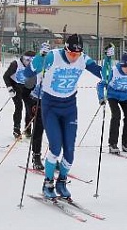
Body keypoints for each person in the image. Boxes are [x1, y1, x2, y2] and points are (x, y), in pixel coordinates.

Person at [23, 33, 105, 199]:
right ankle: (48, 183)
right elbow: (27, 73)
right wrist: (40, 57)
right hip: (50, 106)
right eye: (71, 54)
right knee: (55, 147)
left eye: (77, 54)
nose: (74, 58)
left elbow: (104, 74)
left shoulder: (83, 59)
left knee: (69, 150)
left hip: (69, 107)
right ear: (65, 49)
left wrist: (108, 60)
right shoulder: (52, 56)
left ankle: (61, 181)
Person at [97, 52, 127, 154]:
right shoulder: (114, 71)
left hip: (126, 97)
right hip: (113, 96)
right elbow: (101, 84)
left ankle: (126, 143)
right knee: (116, 116)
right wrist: (101, 97)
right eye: (124, 67)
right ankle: (112, 144)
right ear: (121, 65)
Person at [24, 42, 51, 170]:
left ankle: (53, 158)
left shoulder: (55, 63)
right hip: (37, 98)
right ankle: (36, 156)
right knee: (39, 129)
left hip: (52, 100)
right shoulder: (37, 62)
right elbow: (28, 76)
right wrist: (40, 56)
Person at [3, 50, 36, 139]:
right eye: (27, 60)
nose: (29, 63)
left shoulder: (34, 66)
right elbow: (6, 76)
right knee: (19, 106)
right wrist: (10, 88)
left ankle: (28, 129)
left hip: (27, 88)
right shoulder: (15, 64)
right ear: (23, 58)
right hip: (15, 87)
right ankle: (16, 129)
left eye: (32, 60)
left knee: (30, 108)